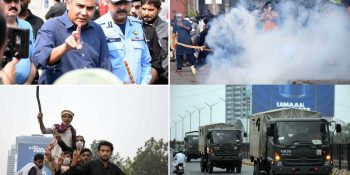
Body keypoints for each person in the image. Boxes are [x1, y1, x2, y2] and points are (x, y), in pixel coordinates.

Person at [32, 0, 112, 84]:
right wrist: (65, 47)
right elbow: (39, 59)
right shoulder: (51, 26)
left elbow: (106, 68)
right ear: (68, 4)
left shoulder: (97, 30)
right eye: (80, 6)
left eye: (90, 8)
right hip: (58, 94)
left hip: (90, 93)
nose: (84, 12)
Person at [95, 0, 152, 85]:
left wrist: (143, 86)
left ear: (130, 4)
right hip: (111, 92)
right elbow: (96, 69)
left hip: (137, 91)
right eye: (117, 3)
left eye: (125, 3)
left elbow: (145, 62)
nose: (122, 7)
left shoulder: (137, 25)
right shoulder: (97, 27)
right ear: (108, 3)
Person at [2, 0, 37, 84]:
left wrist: (27, 83)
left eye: (16, 1)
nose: (13, 5)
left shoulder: (26, 26)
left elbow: (33, 59)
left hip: (23, 89)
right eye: (8, 1)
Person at [130, 0, 162, 84]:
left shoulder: (149, 30)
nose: (133, 10)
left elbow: (156, 62)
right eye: (131, 6)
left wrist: (144, 85)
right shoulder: (104, 28)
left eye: (137, 7)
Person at [140, 0, 168, 83]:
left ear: (159, 10)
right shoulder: (133, 26)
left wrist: (159, 74)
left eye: (150, 10)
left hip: (160, 78)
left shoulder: (166, 29)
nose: (146, 13)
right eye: (144, 9)